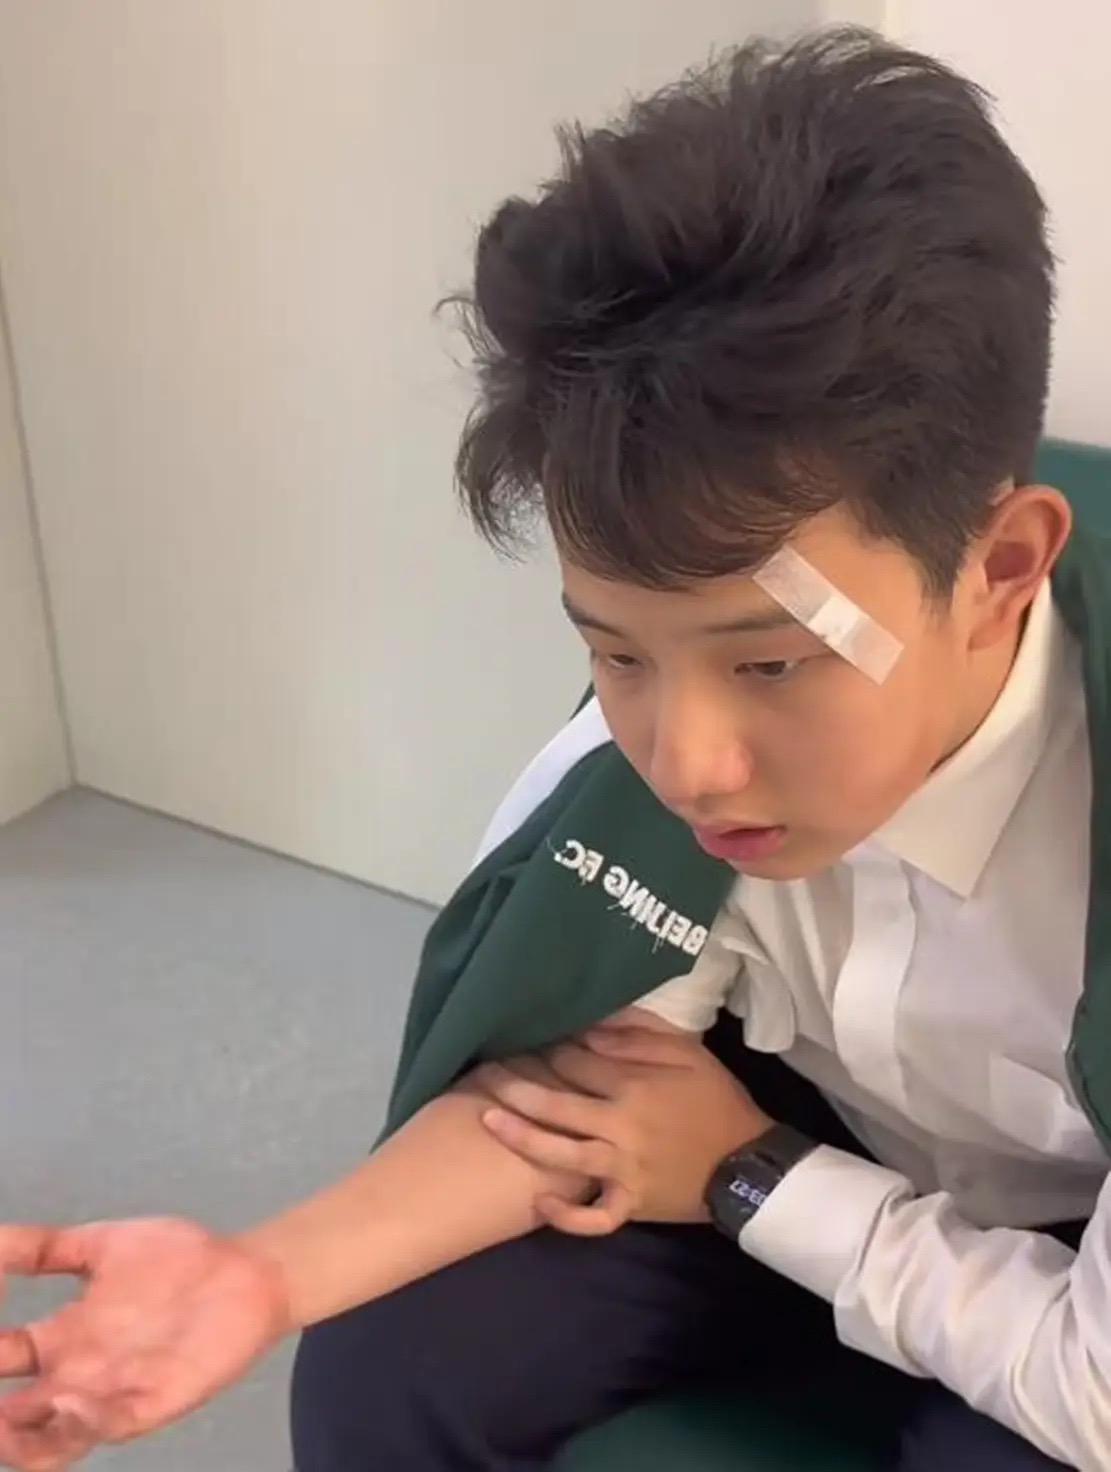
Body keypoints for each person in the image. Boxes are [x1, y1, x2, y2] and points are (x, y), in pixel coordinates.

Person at [0, 24, 1106, 1472]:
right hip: (790, 1152)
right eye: (617, 649)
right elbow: (584, 1078)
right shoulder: (633, 765)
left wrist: (752, 1174)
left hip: (1048, 1281)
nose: (686, 762)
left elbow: (1095, 1390)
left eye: (771, 661)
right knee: (392, 1371)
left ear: (1002, 570)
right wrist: (257, 1278)